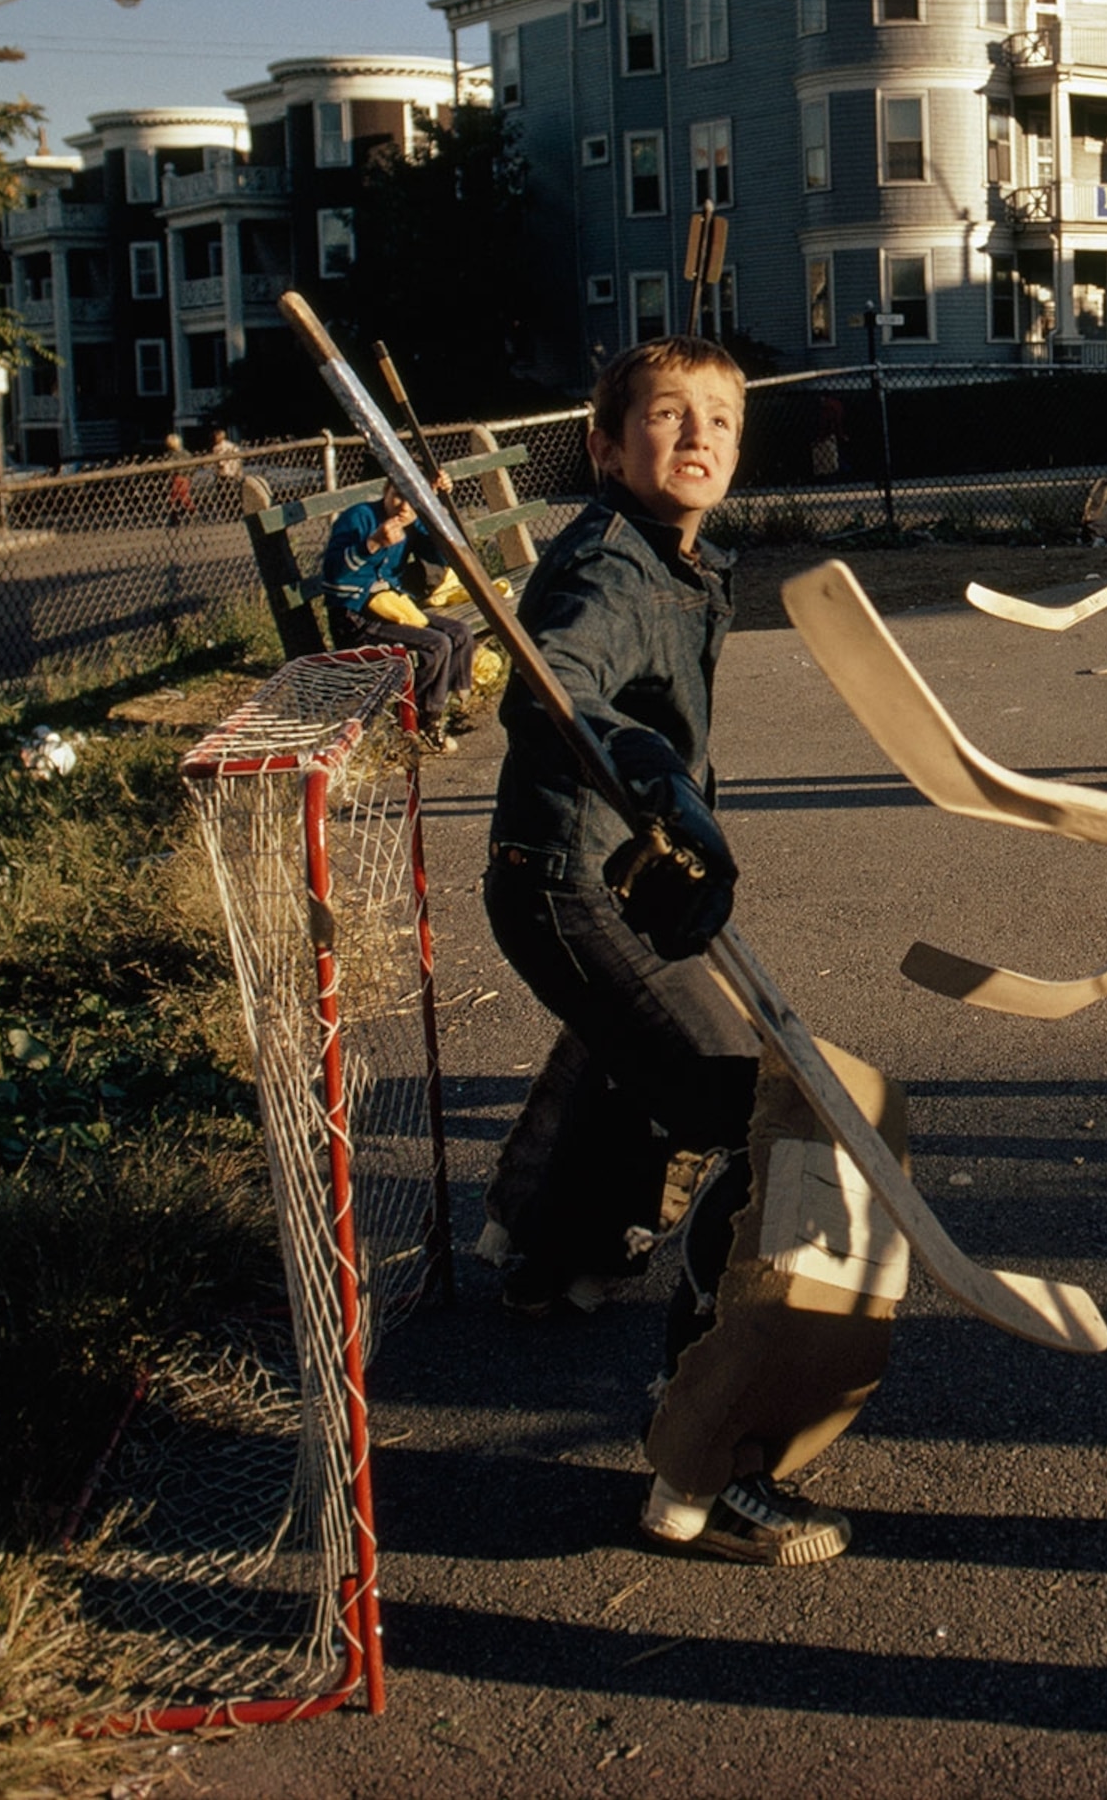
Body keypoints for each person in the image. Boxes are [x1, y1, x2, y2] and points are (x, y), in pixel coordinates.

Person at [482, 335, 861, 1568]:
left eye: (720, 419)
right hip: (569, 884)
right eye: (663, 414)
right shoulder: (604, 565)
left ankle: (549, 1253)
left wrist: (674, 805)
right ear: (603, 445)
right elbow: (548, 693)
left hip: (598, 879)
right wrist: (650, 773)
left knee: (628, 1050)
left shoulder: (673, 557)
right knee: (758, 1116)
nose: (698, 435)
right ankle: (707, 1454)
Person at [319, 482, 477, 753]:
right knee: (437, 645)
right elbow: (333, 575)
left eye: (413, 500)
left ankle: (447, 707)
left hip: (392, 606)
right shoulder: (359, 518)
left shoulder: (414, 522)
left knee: (460, 633)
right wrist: (372, 543)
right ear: (386, 492)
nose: (404, 507)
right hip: (354, 614)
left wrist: (435, 510)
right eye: (398, 497)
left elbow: (443, 555)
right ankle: (413, 721)